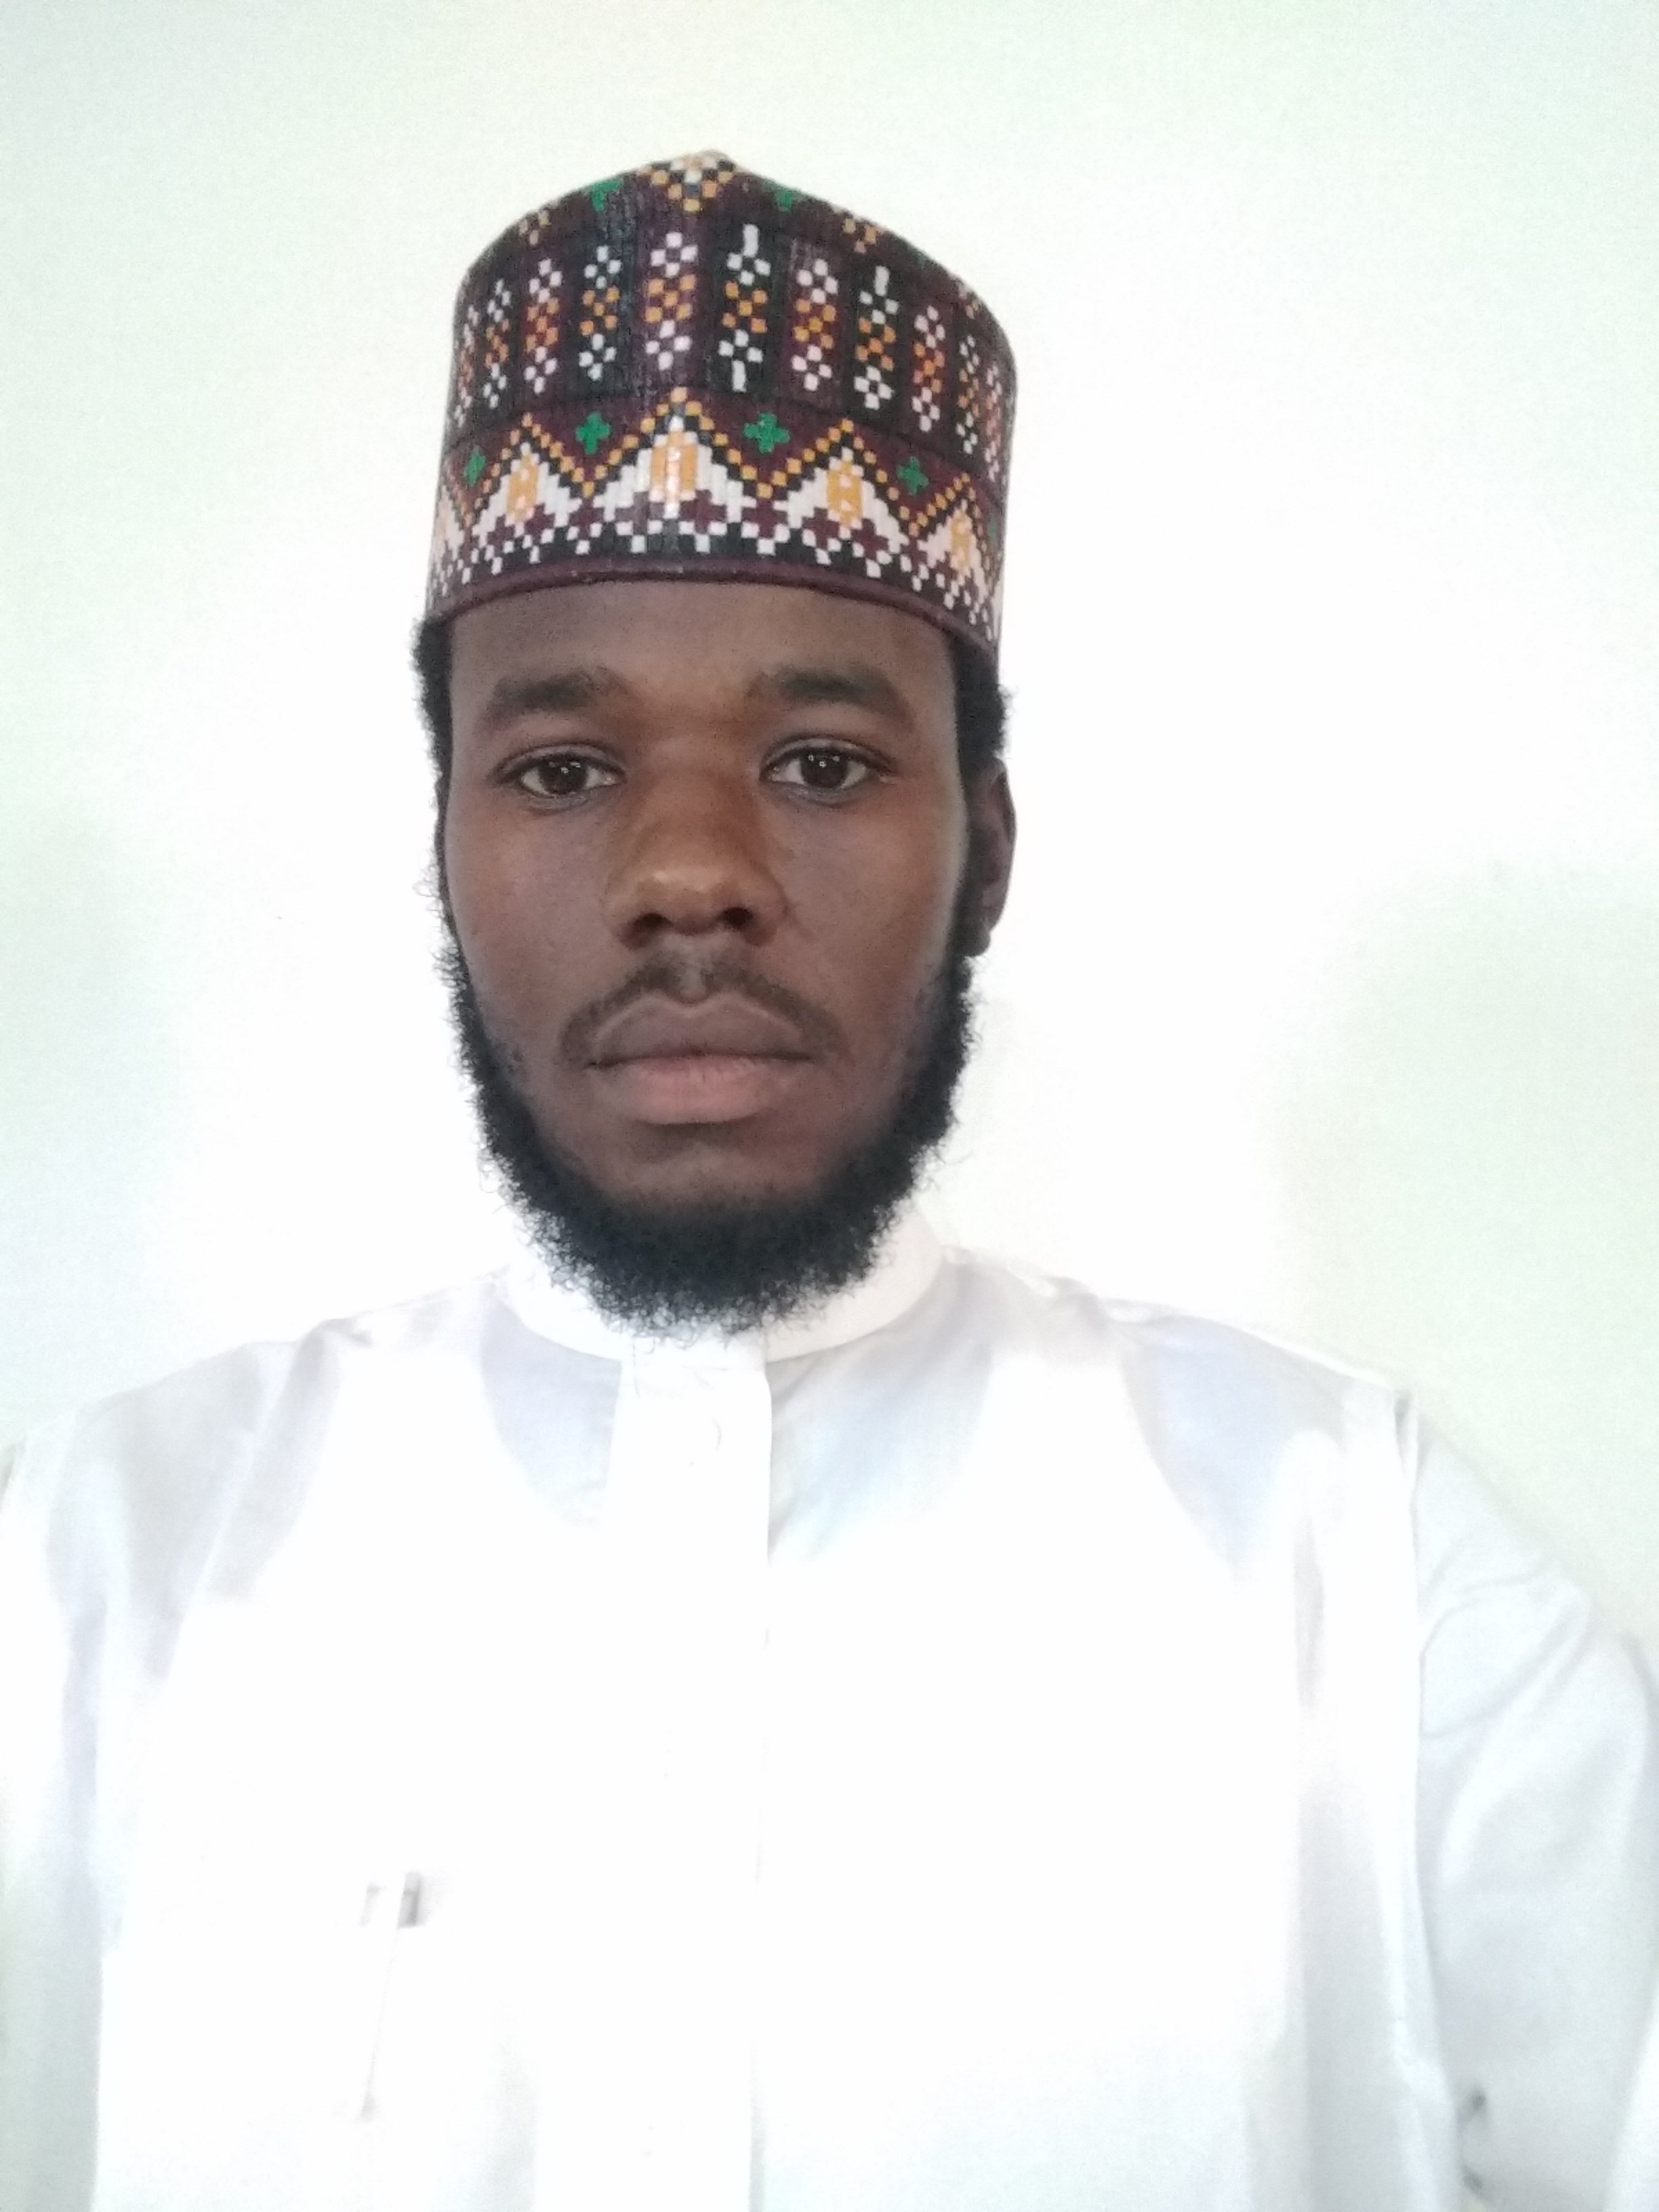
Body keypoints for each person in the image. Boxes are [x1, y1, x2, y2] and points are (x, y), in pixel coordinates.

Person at [1, 150, 1656, 2212]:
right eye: (563, 769)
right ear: (443, 845)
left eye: (821, 765)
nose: (691, 875)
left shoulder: (1371, 1579)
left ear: (989, 848)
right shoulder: (90, 1585)